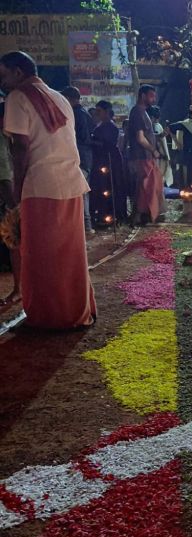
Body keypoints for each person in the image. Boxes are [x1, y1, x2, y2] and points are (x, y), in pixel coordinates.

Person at [0, 50, 96, 329]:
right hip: (71, 183)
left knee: (40, 256)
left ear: (18, 73)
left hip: (41, 185)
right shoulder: (60, 97)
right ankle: (76, 310)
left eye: (4, 75)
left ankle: (49, 316)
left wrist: (18, 190)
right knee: (70, 254)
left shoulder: (18, 97)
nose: (2, 82)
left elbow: (20, 147)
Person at [126, 85, 162, 225]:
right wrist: (153, 150)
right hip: (142, 156)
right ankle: (138, 216)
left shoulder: (143, 112)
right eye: (151, 95)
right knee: (144, 186)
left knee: (148, 186)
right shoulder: (138, 112)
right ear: (142, 96)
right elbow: (140, 138)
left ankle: (144, 215)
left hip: (146, 156)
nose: (154, 98)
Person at [62, 86, 95, 234]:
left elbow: (76, 138)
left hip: (79, 157)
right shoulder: (85, 114)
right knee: (82, 191)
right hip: (85, 157)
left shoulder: (75, 114)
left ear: (71, 99)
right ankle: (84, 225)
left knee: (80, 192)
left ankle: (85, 226)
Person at [90, 100, 127, 225]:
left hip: (111, 160)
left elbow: (108, 144)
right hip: (101, 160)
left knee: (112, 186)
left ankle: (113, 215)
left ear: (106, 112)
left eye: (99, 111)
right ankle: (102, 214)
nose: (97, 113)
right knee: (101, 187)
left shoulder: (111, 127)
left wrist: (91, 142)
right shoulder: (99, 126)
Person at [0, 101, 21, 305]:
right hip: (9, 199)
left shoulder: (10, 139)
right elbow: (5, 176)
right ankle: (18, 288)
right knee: (16, 243)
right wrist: (14, 205)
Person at [169, 108, 192, 187]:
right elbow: (170, 127)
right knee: (189, 175)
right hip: (189, 154)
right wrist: (177, 142)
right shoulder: (186, 124)